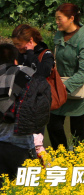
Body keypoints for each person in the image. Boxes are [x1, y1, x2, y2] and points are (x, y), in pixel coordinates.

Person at [2, 28, 51, 180]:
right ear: (15, 61)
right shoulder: (27, 75)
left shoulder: (45, 54)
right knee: (25, 184)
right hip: (21, 143)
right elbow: (42, 104)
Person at [48, 4, 84, 149]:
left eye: (59, 18)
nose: (56, 21)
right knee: (52, 124)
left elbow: (83, 71)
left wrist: (63, 87)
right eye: (56, 18)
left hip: (78, 92)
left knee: (77, 133)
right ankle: (63, 157)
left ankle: (79, 163)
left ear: (71, 18)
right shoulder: (58, 35)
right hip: (60, 89)